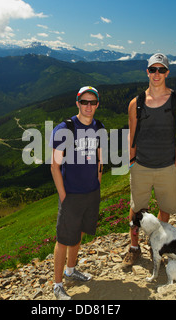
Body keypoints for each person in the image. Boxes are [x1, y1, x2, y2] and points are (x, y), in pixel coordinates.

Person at [123, 53, 176, 266]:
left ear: (167, 72)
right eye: (153, 69)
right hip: (141, 164)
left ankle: (157, 244)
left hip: (167, 165)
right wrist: (132, 162)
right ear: (147, 72)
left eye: (161, 69)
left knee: (164, 207)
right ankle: (134, 247)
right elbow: (132, 135)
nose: (157, 74)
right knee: (136, 209)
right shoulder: (136, 103)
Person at [49, 86, 104, 300]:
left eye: (92, 102)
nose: (88, 106)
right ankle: (57, 285)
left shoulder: (99, 127)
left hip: (91, 192)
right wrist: (64, 196)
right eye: (84, 102)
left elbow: (100, 159)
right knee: (63, 239)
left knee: (79, 232)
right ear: (77, 103)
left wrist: (97, 182)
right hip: (71, 194)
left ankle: (71, 270)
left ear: (97, 104)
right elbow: (54, 166)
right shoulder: (65, 128)